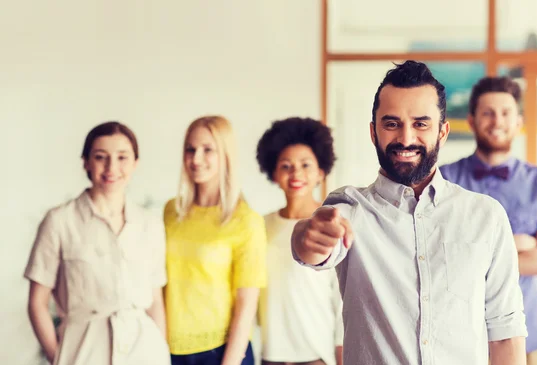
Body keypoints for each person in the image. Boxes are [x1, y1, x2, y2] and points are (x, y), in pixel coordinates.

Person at [290, 60, 528, 365]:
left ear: (442, 132)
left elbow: (505, 330)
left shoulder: (486, 216)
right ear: (374, 132)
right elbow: (313, 243)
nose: (405, 138)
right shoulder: (348, 209)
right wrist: (304, 236)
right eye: (391, 123)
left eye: (420, 124)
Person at [439, 76, 537, 365]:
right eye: (488, 112)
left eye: (506, 113)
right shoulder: (444, 180)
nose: (497, 121)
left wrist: (477, 254)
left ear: (519, 121)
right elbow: (440, 258)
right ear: (471, 120)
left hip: (531, 339)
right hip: (460, 339)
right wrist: (519, 245)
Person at [24, 121, 170, 365]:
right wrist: (58, 356)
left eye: (122, 157)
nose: (112, 167)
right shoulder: (60, 221)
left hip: (144, 351)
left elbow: (155, 300)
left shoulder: (150, 224)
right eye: (101, 157)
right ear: (86, 162)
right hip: (84, 349)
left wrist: (161, 351)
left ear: (135, 163)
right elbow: (37, 303)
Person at [164, 115, 267, 365]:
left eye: (207, 149)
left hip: (222, 353)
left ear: (225, 155)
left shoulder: (246, 220)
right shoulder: (171, 211)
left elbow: (247, 304)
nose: (196, 158)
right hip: (170, 350)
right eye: (190, 149)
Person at [255, 117, 344, 365]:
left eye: (306, 165)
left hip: (317, 357)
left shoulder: (331, 224)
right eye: (286, 166)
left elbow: (342, 303)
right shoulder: (259, 226)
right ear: (273, 172)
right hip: (269, 356)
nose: (296, 173)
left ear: (320, 172)